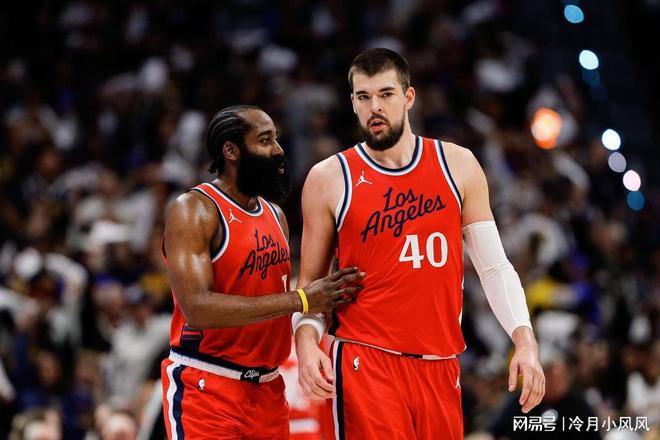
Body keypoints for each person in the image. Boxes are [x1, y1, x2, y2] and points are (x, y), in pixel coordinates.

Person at [293, 49, 545, 439]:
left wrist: (524, 340)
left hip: (440, 364)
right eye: (364, 97)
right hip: (365, 361)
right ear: (353, 103)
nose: (375, 107)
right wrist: (306, 343)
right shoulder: (329, 178)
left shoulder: (458, 165)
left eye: (386, 94)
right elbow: (311, 285)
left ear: (409, 97)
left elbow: (495, 267)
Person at [161, 105, 364, 439]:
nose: (278, 150)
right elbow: (196, 308)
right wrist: (301, 300)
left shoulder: (275, 215)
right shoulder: (194, 210)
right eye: (265, 140)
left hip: (268, 389)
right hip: (207, 386)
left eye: (276, 139)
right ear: (231, 151)